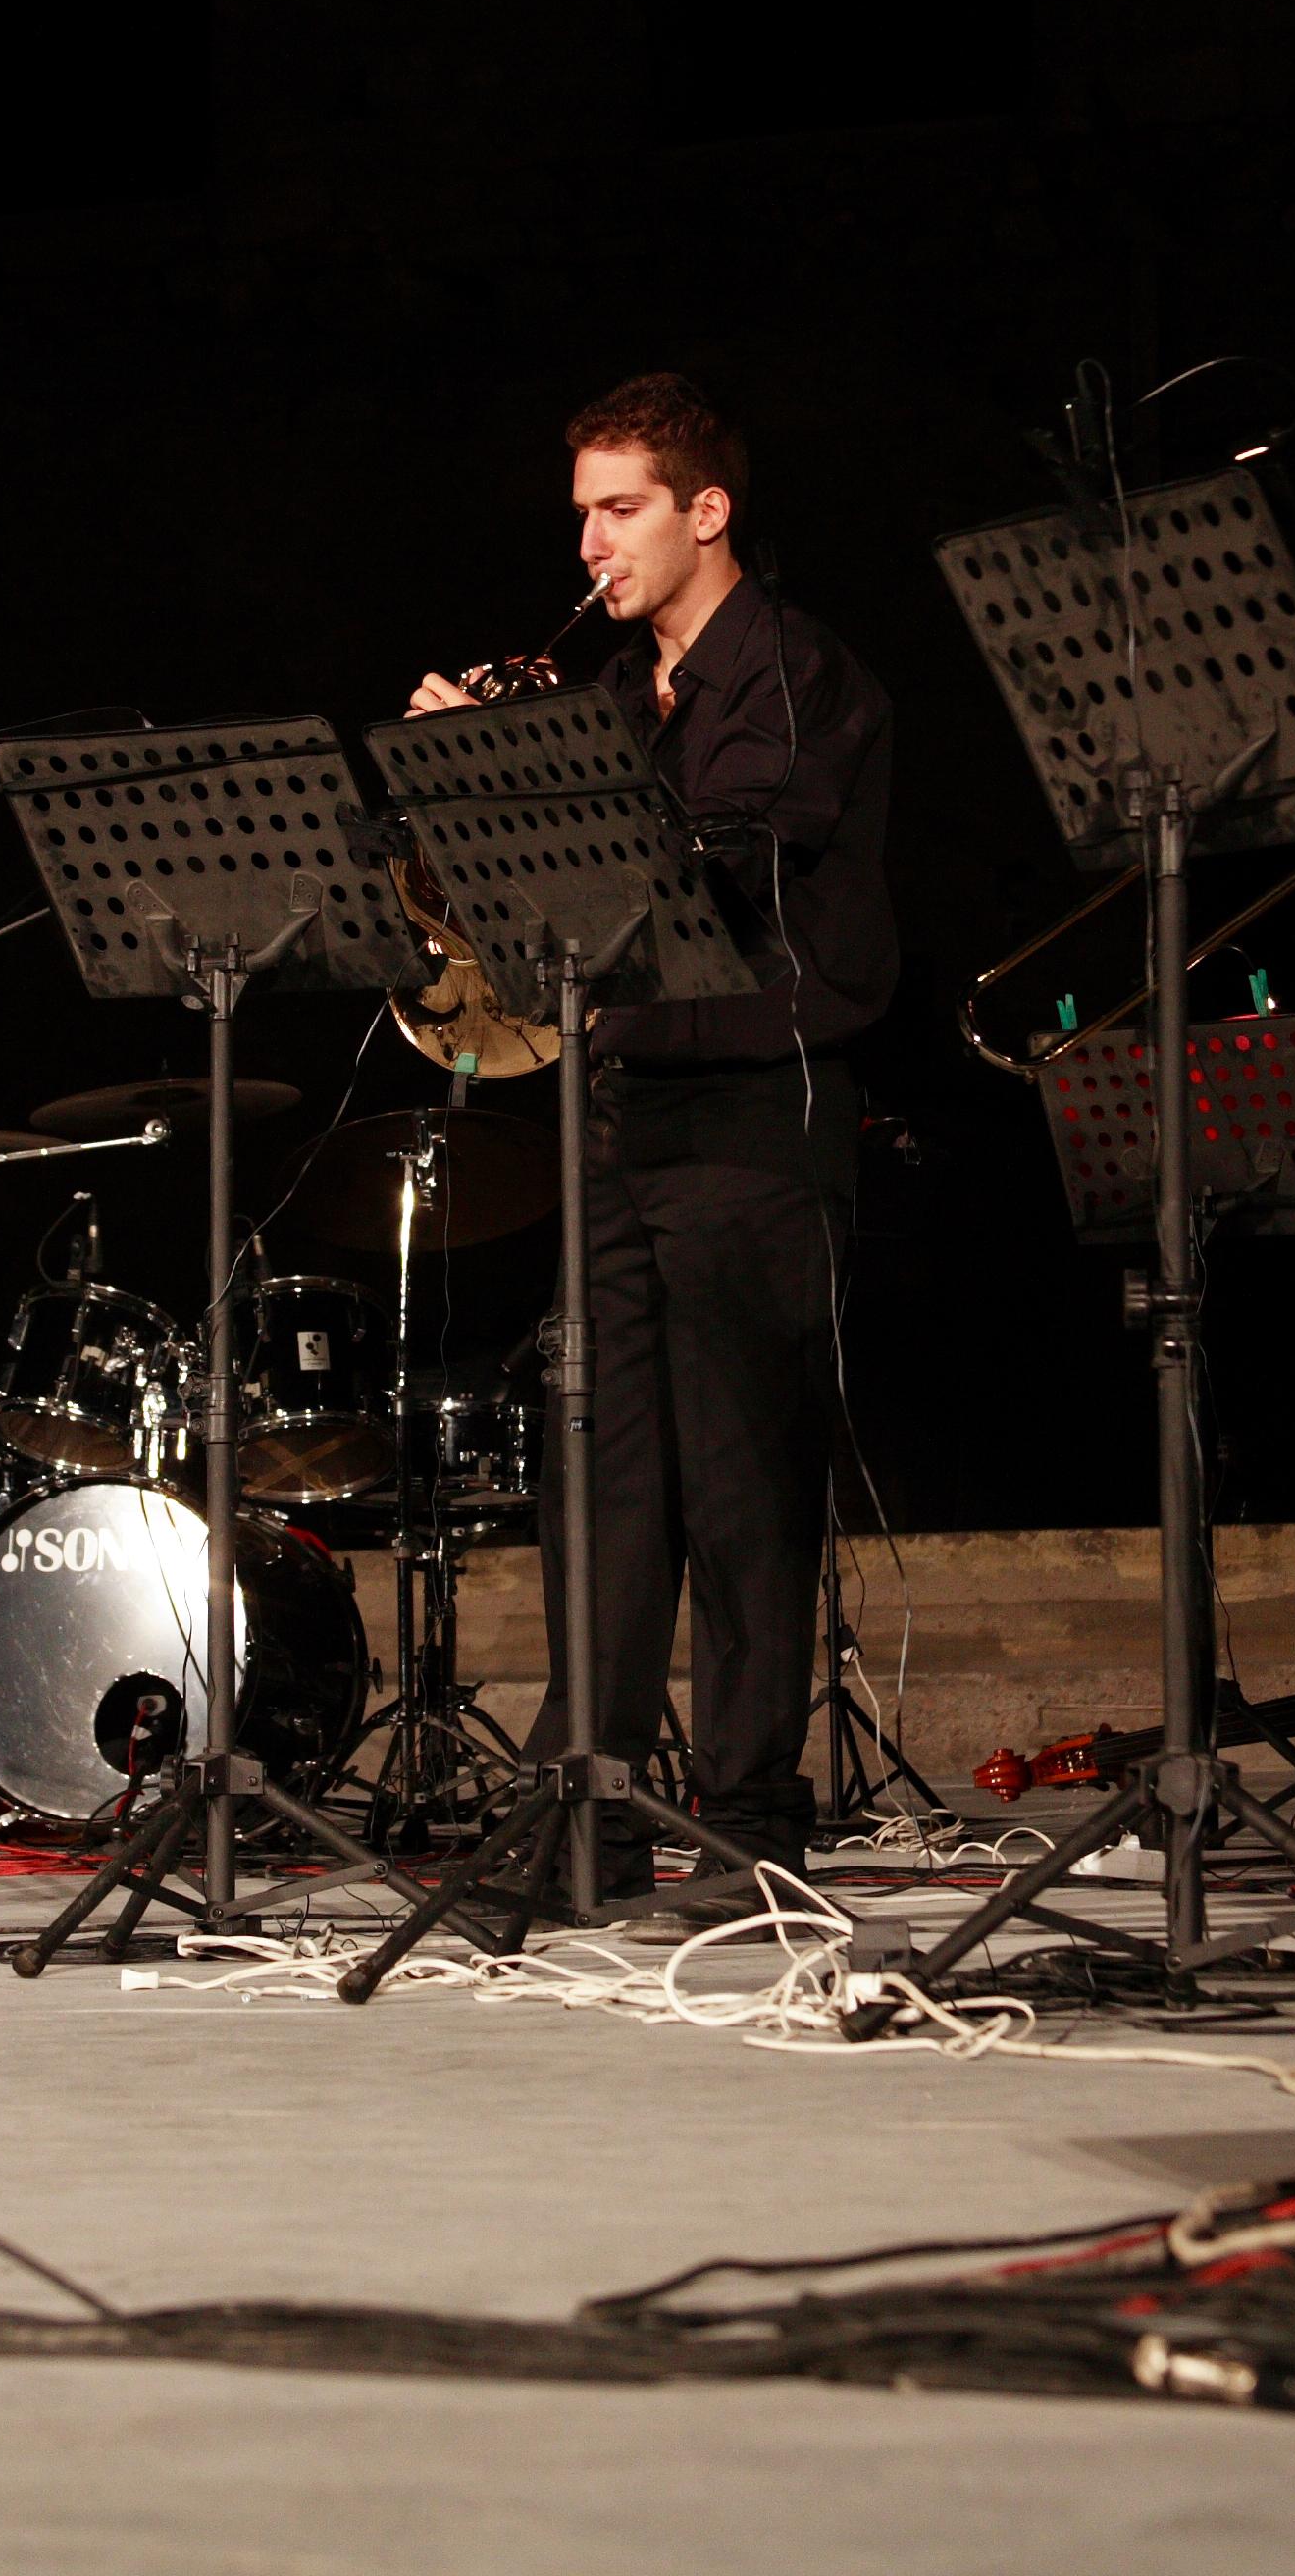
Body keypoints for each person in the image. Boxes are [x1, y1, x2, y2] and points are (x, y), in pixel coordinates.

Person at [405, 374, 896, 1902]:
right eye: (584, 516)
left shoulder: (799, 674)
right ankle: (593, 1811)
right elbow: (547, 918)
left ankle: (751, 1818)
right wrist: (462, 798)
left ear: (707, 511)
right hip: (619, 1109)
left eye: (621, 511)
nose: (592, 546)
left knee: (745, 1487)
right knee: (601, 1483)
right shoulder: (618, 695)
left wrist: (527, 776)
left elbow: (712, 866)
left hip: (758, 1112)